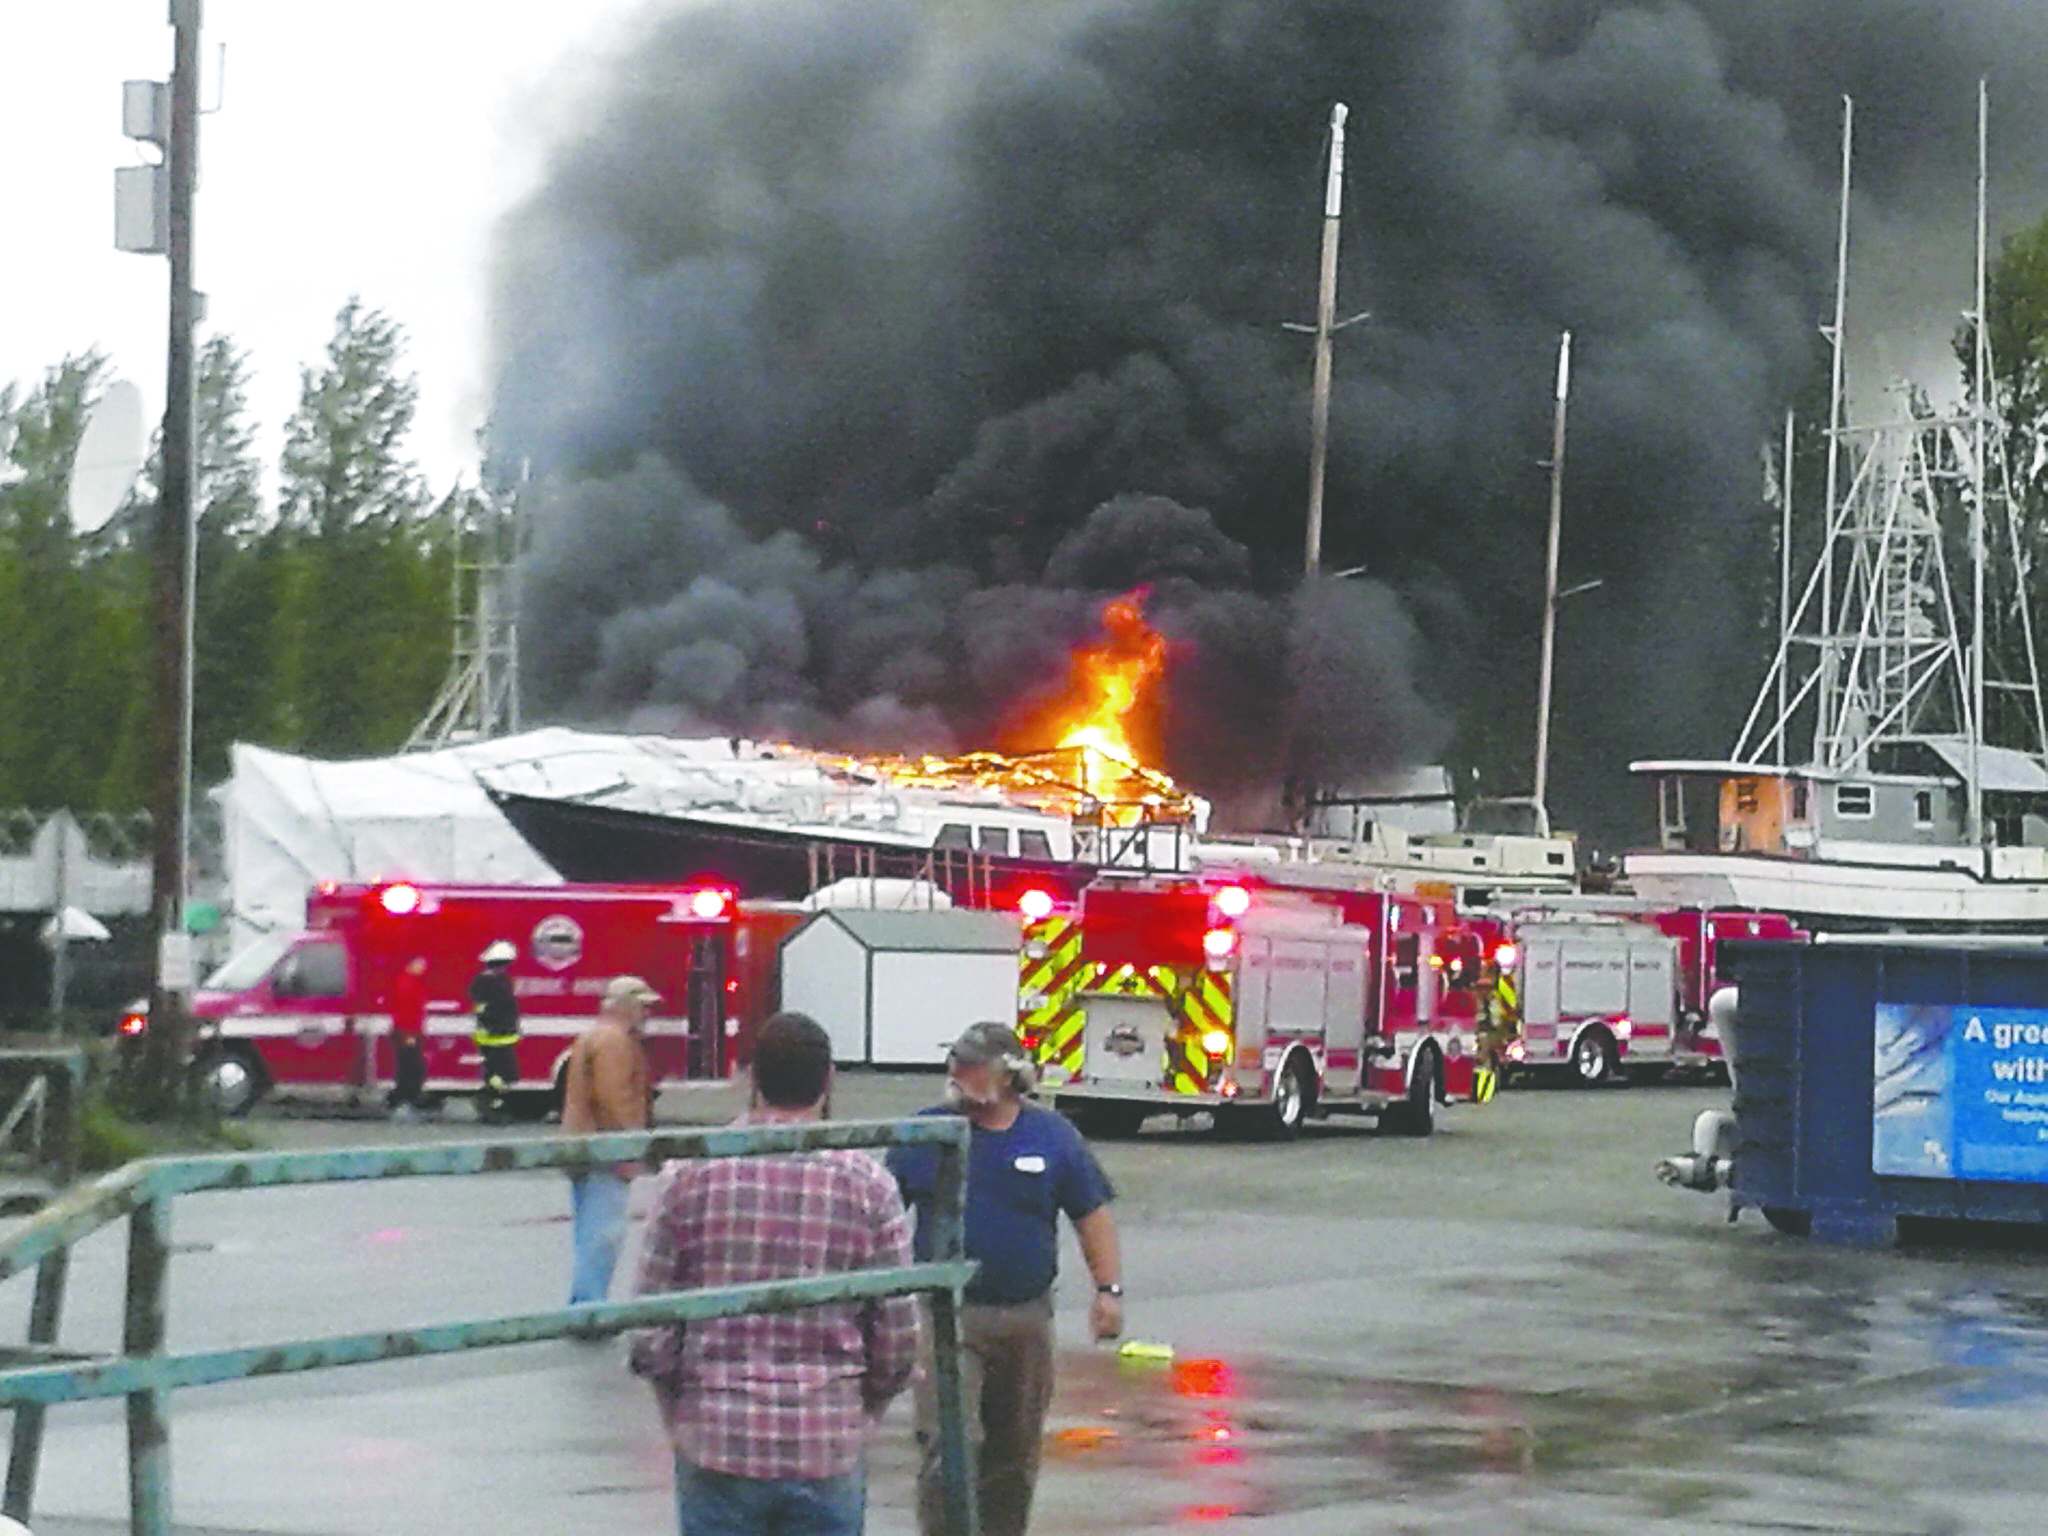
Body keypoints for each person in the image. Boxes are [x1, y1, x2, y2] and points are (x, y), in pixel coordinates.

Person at [629, 1011, 917, 1536]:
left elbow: (651, 1321)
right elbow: (898, 1330)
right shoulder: (870, 1186)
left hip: (719, 1436)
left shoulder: (689, 1175)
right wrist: (867, 1410)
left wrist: (676, 1411)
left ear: (752, 1077)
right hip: (825, 1440)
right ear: (829, 1079)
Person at [887, 1021, 1123, 1536]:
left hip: (1025, 1319)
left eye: (972, 1065)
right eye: (955, 1062)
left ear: (1011, 1075)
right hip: (947, 1318)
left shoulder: (1052, 1136)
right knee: (949, 1443)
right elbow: (880, 1215)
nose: (958, 1073)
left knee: (1013, 1455)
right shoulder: (925, 1134)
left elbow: (1092, 1214)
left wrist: (1108, 1291)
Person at [561, 974, 656, 1308]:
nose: (646, 1014)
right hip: (605, 1151)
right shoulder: (615, 1041)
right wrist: (632, 1146)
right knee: (604, 1235)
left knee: (588, 1231)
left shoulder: (594, 1035)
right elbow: (615, 1099)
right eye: (642, 1006)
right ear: (625, 1006)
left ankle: (585, 1304)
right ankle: (590, 1308)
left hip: (582, 1147)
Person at [469, 939, 521, 1122]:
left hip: (496, 1035)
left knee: (499, 1073)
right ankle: (489, 1100)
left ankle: (492, 1102)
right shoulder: (493, 983)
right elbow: (499, 1008)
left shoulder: (486, 982)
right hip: (496, 1035)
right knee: (502, 1073)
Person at [386, 956, 430, 1120]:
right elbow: (405, 1011)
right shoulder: (406, 984)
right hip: (407, 1032)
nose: (423, 968)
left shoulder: (410, 982)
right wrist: (409, 1034)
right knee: (410, 1068)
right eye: (420, 964)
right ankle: (404, 1101)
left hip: (410, 1031)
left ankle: (403, 1100)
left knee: (410, 1068)